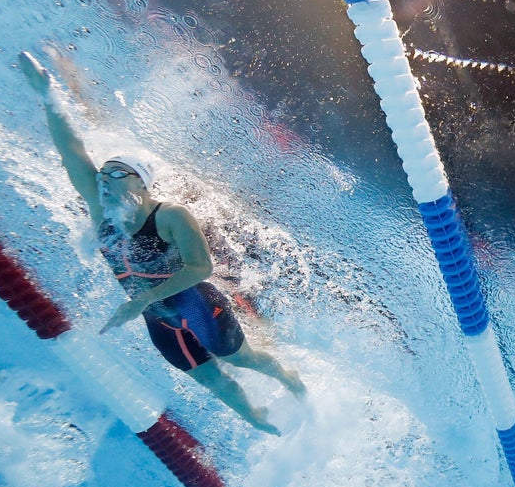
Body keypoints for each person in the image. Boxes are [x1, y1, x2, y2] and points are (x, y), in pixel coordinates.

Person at [19, 51, 304, 434]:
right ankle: (256, 417)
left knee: (242, 359)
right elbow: (73, 151)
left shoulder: (170, 216)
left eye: (116, 171)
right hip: (158, 319)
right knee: (209, 380)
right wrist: (47, 95)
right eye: (102, 173)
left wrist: (142, 300)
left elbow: (201, 268)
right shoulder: (102, 211)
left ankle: (288, 377)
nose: (103, 177)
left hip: (195, 304)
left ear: (140, 180)